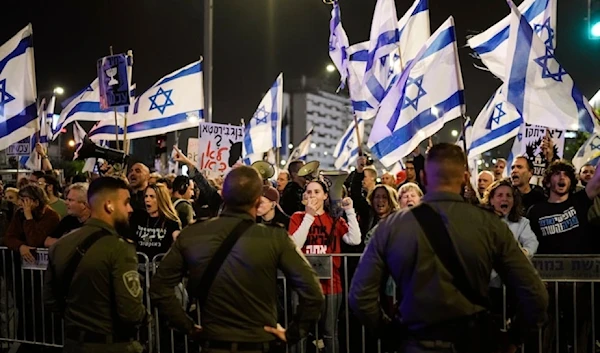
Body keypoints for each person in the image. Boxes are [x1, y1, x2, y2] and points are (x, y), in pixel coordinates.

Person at [349, 143, 548, 353]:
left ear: (424, 177)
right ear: (464, 177)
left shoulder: (392, 226)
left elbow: (360, 296)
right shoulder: (490, 225)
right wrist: (512, 339)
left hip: (415, 341)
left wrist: (389, 333)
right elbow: (536, 295)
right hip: (473, 342)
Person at [150, 166, 324, 351]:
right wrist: (292, 334)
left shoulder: (193, 234)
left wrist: (189, 327)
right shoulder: (274, 238)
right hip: (259, 342)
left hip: (213, 342)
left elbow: (159, 288)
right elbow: (313, 293)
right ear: (258, 200)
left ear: (223, 195)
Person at [44, 177, 147, 353]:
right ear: (109, 205)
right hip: (112, 344)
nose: (130, 209)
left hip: (74, 343)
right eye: (126, 203)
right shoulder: (119, 248)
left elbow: (50, 299)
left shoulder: (61, 244)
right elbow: (130, 311)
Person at [289, 180, 361, 353]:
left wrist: (349, 212)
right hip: (303, 284)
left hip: (331, 283)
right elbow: (295, 244)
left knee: (330, 332)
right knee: (300, 331)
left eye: (316, 192)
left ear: (325, 196)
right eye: (309, 192)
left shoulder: (333, 220)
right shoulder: (297, 217)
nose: (312, 195)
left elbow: (355, 239)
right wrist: (309, 216)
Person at [4, 185, 60, 262]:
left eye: (24, 200)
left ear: (36, 202)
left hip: (44, 263)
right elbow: (9, 237)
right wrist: (20, 246)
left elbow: (35, 241)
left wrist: (29, 218)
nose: (19, 203)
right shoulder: (19, 213)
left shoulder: (51, 216)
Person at [130, 183, 181, 261]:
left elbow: (178, 241)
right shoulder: (139, 217)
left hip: (160, 268)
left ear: (161, 199)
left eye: (152, 197)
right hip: (139, 267)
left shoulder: (171, 221)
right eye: (146, 196)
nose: (147, 199)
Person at [44, 183, 91, 247]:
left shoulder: (94, 222)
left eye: (70, 200)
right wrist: (69, 243)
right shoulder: (68, 220)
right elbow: (48, 241)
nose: (66, 203)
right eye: (66, 199)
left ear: (84, 204)